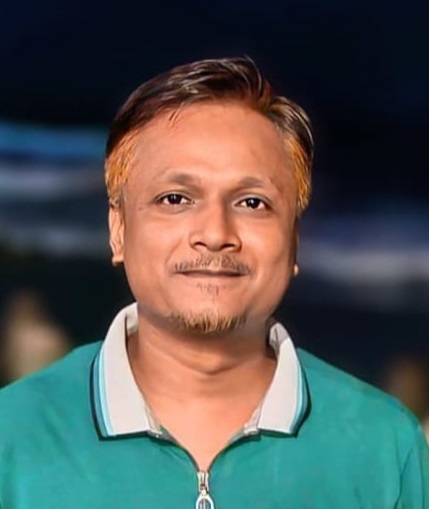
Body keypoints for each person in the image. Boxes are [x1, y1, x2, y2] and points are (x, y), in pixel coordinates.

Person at [0, 57, 428, 509]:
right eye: (175, 198)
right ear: (118, 229)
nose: (216, 233)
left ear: (294, 239)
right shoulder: (14, 437)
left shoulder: (383, 448)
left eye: (252, 202)